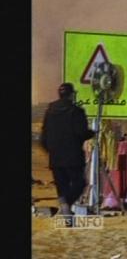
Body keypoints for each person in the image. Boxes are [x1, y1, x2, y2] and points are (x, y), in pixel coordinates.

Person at [40, 83, 96, 217]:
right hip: (73, 157)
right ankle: (66, 206)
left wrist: (51, 150)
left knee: (62, 186)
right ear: (71, 94)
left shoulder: (50, 110)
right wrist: (92, 133)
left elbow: (44, 134)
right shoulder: (77, 111)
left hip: (56, 157)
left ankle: (66, 210)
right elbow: (81, 133)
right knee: (80, 183)